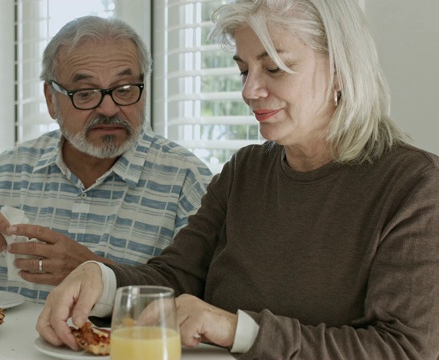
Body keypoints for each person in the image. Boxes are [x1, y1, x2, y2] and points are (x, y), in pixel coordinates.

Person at [36, 0, 439, 358]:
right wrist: (100, 277)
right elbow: (176, 278)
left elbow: (404, 349)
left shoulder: (416, 187)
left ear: (340, 68)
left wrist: (236, 330)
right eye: (244, 69)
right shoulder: (245, 171)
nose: (250, 90)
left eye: (275, 68)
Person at [0, 16, 213, 304]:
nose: (109, 108)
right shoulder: (3, 174)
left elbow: (204, 300)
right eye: (85, 93)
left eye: (124, 89)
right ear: (50, 99)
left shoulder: (187, 182)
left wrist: (94, 271)